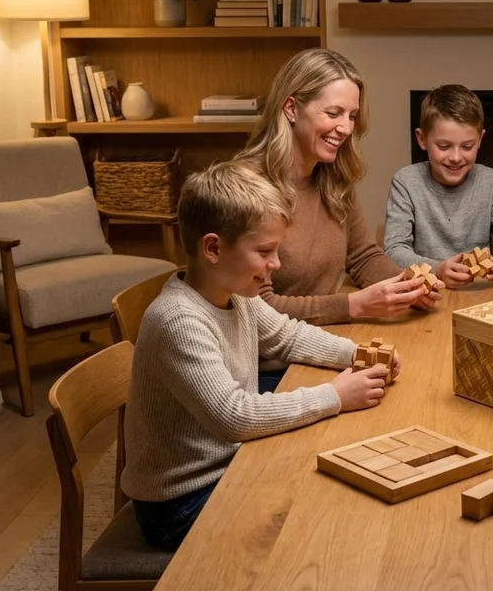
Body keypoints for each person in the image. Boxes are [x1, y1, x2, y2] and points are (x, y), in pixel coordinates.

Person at [122, 161, 396, 551]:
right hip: (179, 503)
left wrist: (359, 353)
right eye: (264, 251)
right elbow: (236, 417)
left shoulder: (235, 293)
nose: (276, 264)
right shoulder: (177, 320)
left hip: (229, 464)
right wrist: (334, 396)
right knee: (317, 511)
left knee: (330, 467)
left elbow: (287, 336)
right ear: (213, 248)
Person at [234, 48, 442, 330]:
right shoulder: (245, 186)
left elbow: (363, 256)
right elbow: (257, 308)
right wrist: (354, 305)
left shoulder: (333, 176)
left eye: (352, 116)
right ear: (291, 109)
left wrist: (408, 286)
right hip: (269, 362)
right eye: (333, 113)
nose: (345, 128)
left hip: (321, 336)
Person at [384, 84, 493, 287]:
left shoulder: (492, 182)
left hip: (481, 291)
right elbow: (394, 251)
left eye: (467, 146)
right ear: (422, 139)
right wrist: (438, 270)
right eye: (443, 146)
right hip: (427, 290)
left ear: (480, 140)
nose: (455, 157)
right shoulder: (406, 182)